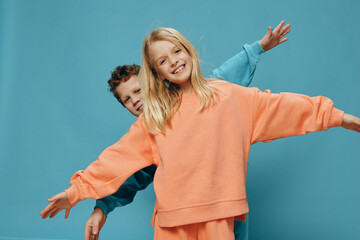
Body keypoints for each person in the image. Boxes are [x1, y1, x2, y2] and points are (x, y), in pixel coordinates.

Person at [41, 23, 360, 240]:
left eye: (176, 51)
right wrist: (76, 193)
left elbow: (286, 107)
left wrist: (341, 117)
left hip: (221, 216)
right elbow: (117, 160)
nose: (174, 62)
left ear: (188, 49)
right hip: (171, 222)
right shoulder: (157, 117)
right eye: (163, 61)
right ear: (157, 73)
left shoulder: (229, 95)